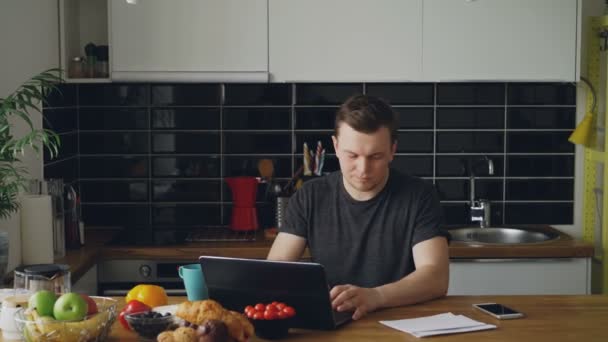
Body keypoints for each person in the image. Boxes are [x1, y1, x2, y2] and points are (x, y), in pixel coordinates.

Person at [267, 94, 450, 320]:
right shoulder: (310, 196)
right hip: (332, 322)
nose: (363, 169)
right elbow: (274, 272)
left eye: (376, 156)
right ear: (335, 146)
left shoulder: (420, 196)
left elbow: (436, 277)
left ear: (393, 150)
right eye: (352, 155)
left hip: (401, 322)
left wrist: (377, 296)